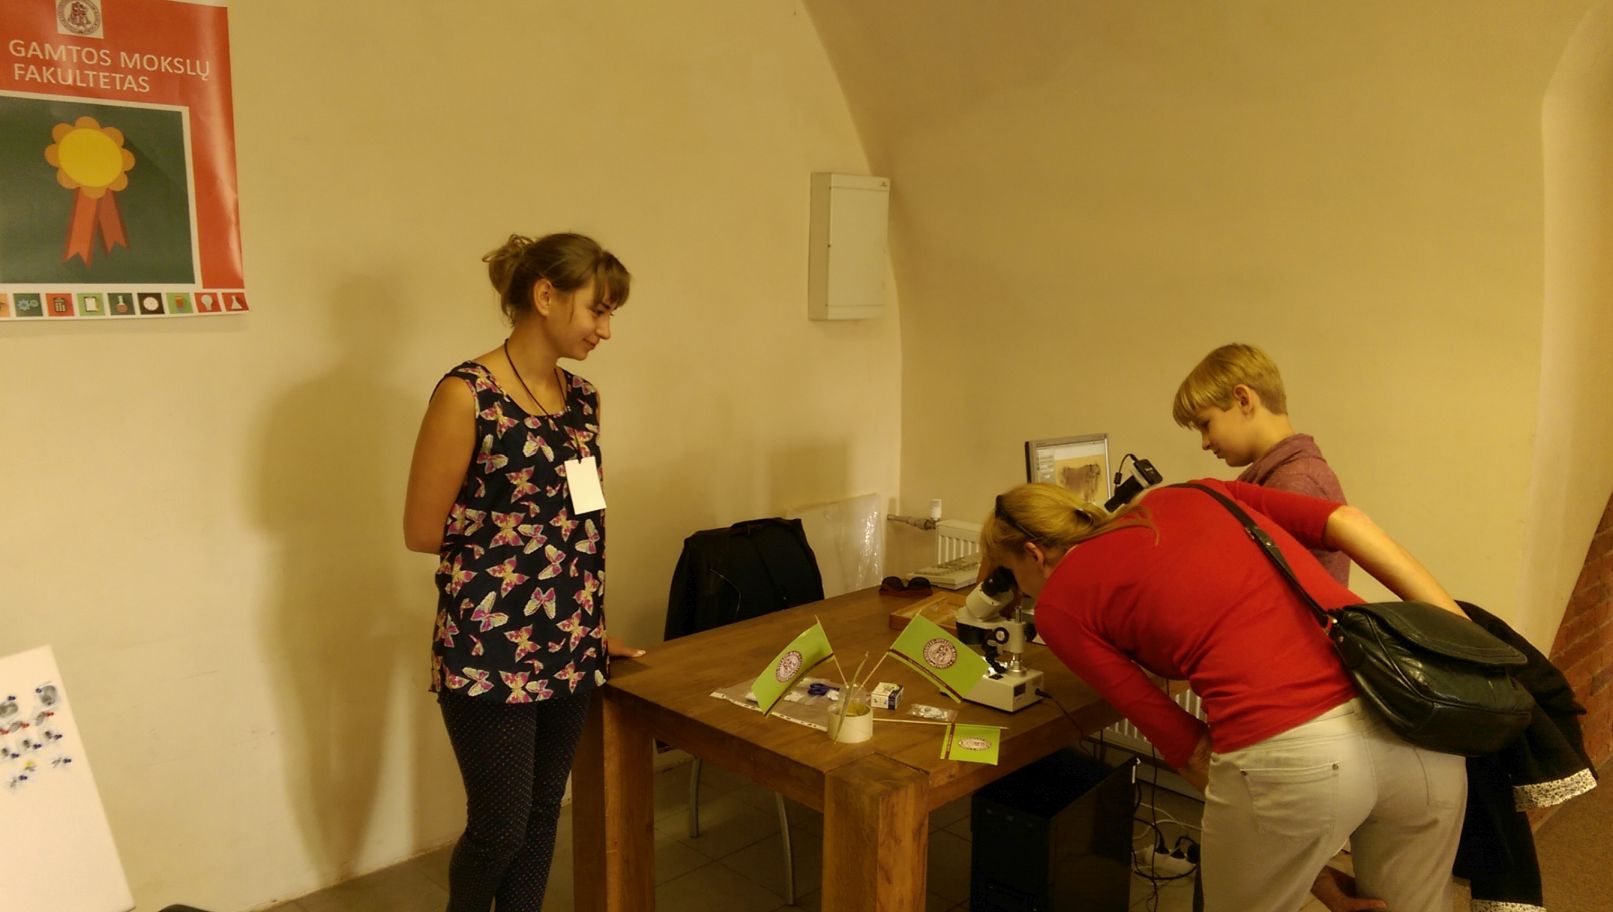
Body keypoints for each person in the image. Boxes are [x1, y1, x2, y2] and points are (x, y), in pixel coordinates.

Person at [982, 480, 1467, 912]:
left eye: (1009, 574)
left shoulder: (1060, 607)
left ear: (1034, 553)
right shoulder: (1195, 491)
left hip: (1293, 752)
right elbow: (1347, 521)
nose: (1019, 593)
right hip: (1413, 715)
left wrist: (1306, 870)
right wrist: (1464, 639)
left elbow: (1192, 750)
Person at [403, 231, 644, 912]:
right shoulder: (467, 395)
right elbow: (422, 530)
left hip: (570, 641)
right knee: (500, 828)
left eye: (610, 314)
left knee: (541, 816)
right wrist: (522, 551)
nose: (605, 330)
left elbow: (580, 529)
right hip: (490, 647)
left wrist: (589, 627)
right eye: (598, 310)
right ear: (545, 296)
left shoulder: (583, 401)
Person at [1173, 342, 1349, 585]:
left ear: (1243, 400)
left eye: (1206, 424)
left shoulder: (1296, 483)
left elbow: (1258, 587)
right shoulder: (1281, 477)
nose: (1205, 442)